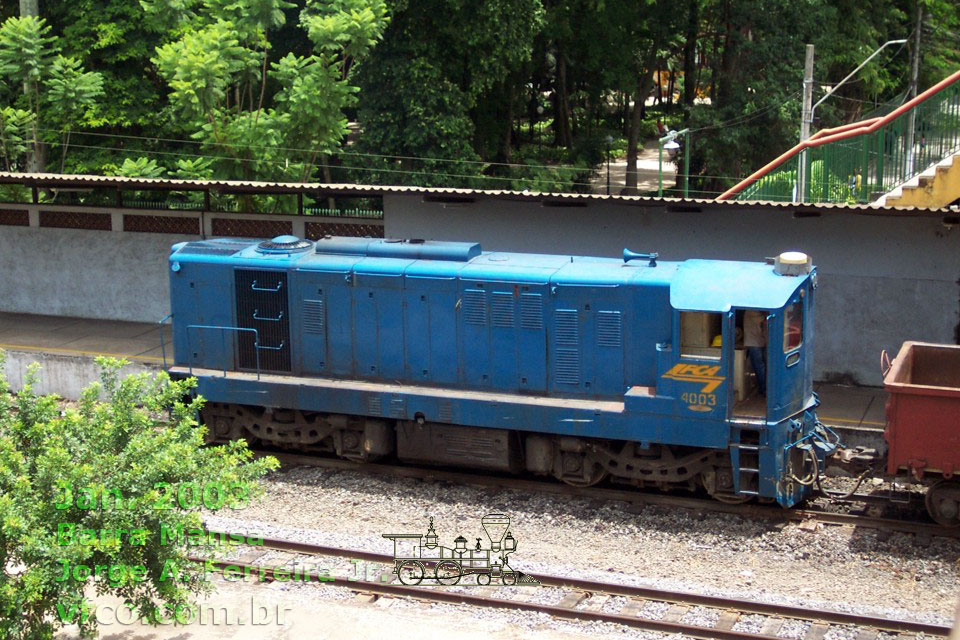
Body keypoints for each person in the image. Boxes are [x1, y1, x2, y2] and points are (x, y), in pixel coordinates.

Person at [743, 310, 767, 397]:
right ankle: (763, 389)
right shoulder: (753, 313)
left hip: (756, 342)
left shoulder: (751, 312)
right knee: (760, 367)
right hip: (755, 342)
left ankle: (763, 388)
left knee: (760, 367)